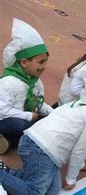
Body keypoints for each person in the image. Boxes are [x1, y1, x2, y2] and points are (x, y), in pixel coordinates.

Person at [0, 53, 86, 195]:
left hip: (37, 144)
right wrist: (71, 179)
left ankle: (9, 173)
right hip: (41, 149)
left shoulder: (82, 103)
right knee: (34, 194)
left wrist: (79, 165)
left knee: (53, 190)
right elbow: (79, 150)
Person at [0, 19, 53, 155]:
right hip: (6, 120)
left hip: (25, 117)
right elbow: (3, 111)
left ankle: (9, 142)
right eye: (40, 62)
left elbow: (38, 103)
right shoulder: (9, 82)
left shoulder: (35, 82)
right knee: (20, 126)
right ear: (24, 62)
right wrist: (28, 115)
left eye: (45, 61)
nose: (44, 66)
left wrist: (53, 113)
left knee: (49, 118)